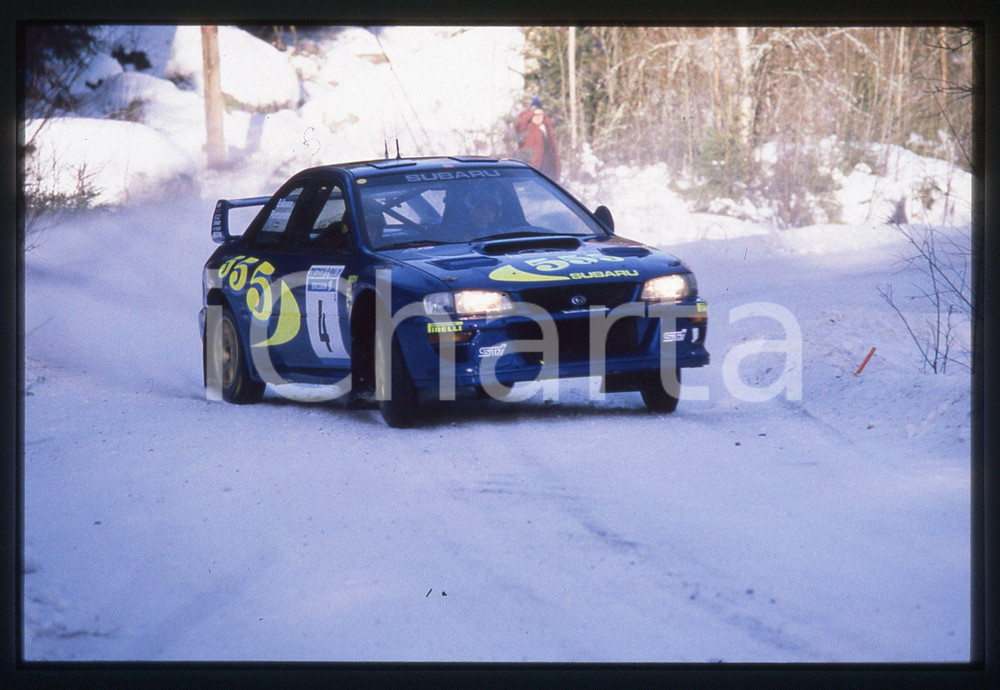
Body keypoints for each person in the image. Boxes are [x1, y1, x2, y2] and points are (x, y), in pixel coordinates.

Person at [515, 97, 560, 179]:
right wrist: (531, 112)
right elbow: (519, 123)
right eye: (535, 115)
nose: (538, 117)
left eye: (540, 115)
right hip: (535, 168)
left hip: (550, 169)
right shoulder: (527, 128)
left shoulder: (547, 127)